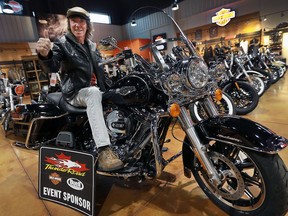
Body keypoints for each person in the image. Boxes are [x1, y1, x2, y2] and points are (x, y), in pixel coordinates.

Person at [36, 6, 123, 171]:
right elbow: (52, 66)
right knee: (93, 93)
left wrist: (115, 88)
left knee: (121, 94)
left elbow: (100, 72)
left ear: (87, 25)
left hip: (95, 89)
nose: (77, 24)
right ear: (69, 24)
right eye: (73, 21)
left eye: (81, 21)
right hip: (75, 92)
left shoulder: (91, 45)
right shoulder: (62, 43)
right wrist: (45, 55)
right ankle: (104, 150)